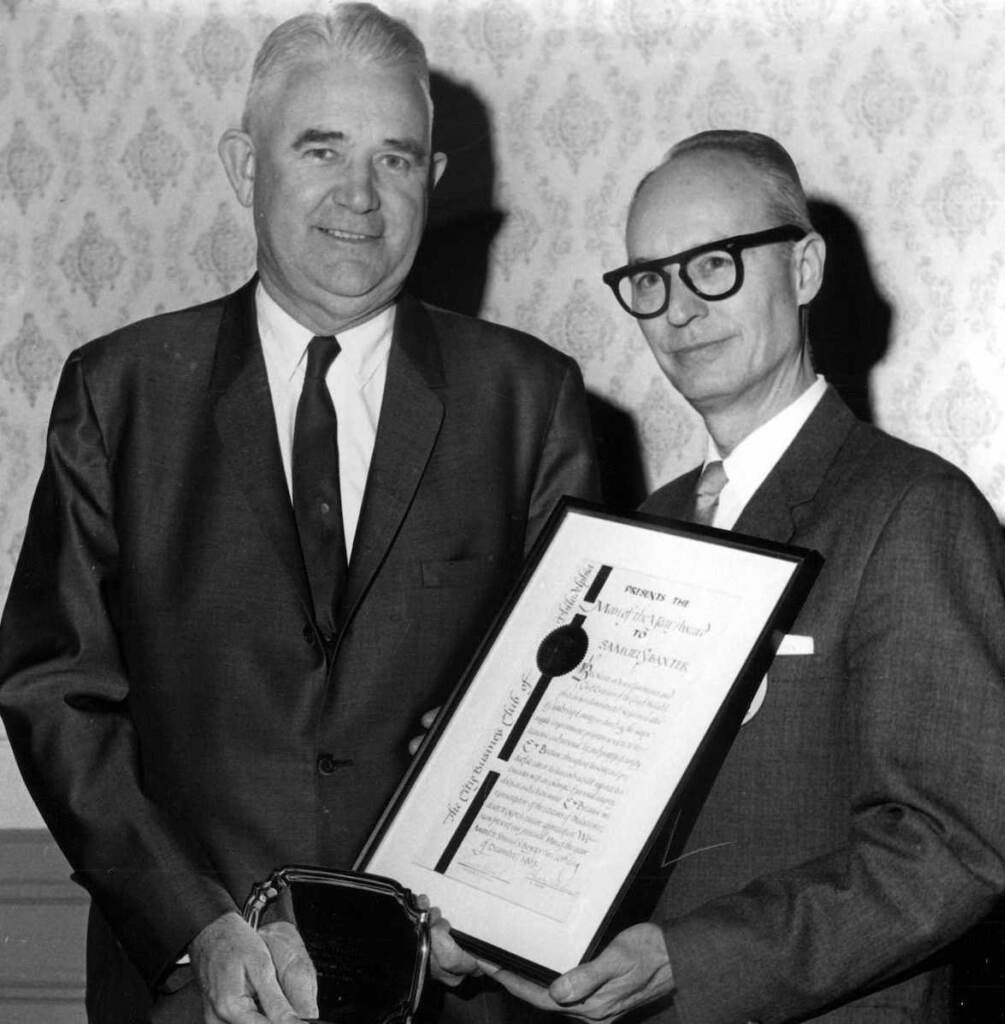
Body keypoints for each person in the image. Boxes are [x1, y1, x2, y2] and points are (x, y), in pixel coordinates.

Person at [0, 5, 598, 1023]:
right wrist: (196, 923)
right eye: (320, 149)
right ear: (245, 166)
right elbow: (55, 687)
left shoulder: (528, 400)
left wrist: (494, 915)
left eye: (395, 160)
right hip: (195, 987)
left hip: (449, 994)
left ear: (434, 184)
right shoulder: (123, 390)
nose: (359, 198)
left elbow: (573, 714)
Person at [430, 130, 1005, 1023]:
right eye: (649, 279)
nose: (676, 309)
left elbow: (953, 843)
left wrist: (693, 961)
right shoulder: (644, 526)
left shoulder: (912, 510)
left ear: (806, 267)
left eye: (713, 265)